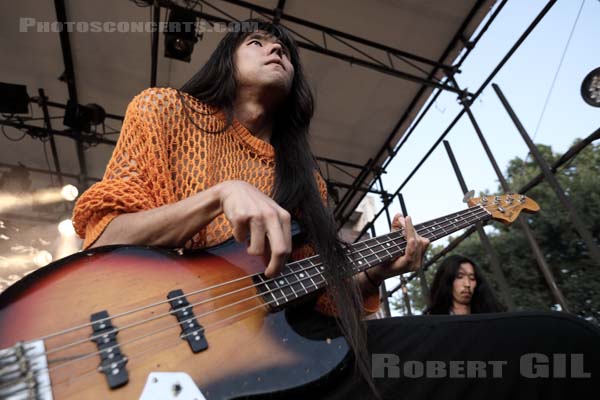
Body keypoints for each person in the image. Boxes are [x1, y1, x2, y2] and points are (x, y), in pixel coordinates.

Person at [73, 19, 599, 400]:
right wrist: (219, 193)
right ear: (225, 61)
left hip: (286, 351)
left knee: (558, 343)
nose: (276, 49)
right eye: (257, 42)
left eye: (284, 49)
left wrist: (374, 275)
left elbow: (319, 307)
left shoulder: (308, 181)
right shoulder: (166, 110)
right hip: (165, 352)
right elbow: (105, 238)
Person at [426, 254, 506, 315]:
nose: (467, 284)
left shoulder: (491, 316)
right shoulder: (433, 321)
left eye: (472, 278)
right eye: (459, 277)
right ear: (447, 280)